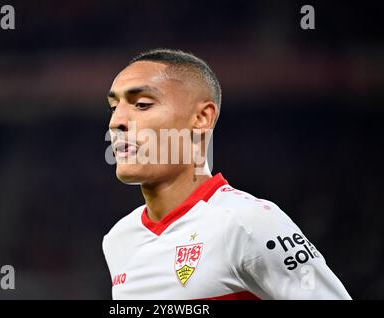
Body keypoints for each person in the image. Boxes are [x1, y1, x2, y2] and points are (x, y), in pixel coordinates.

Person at [102, 48, 351, 300]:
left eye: (142, 105)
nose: (116, 122)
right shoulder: (119, 240)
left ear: (201, 118)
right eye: (114, 107)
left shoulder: (248, 223)